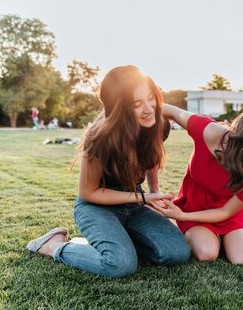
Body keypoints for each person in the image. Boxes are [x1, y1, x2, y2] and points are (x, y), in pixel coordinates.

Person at [26, 65, 190, 278]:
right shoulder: (100, 138)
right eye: (136, 104)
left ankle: (117, 241)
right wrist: (143, 196)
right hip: (96, 207)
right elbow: (88, 193)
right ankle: (53, 246)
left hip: (135, 204)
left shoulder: (157, 123)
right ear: (119, 108)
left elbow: (150, 156)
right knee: (119, 265)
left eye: (151, 98)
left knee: (177, 252)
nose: (149, 108)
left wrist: (154, 191)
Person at [151, 104, 243, 266]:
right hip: (194, 207)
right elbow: (168, 110)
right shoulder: (209, 131)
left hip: (229, 213)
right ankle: (220, 239)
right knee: (206, 253)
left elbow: (225, 211)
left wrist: (181, 216)